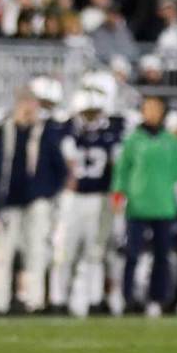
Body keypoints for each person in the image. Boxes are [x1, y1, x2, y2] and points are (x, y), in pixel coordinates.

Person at [0, 90, 67, 314]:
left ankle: (35, 300)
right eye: (23, 103)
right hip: (9, 201)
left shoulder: (46, 132)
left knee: (37, 252)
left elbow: (60, 169)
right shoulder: (6, 131)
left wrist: (46, 193)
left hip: (36, 201)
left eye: (30, 104)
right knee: (4, 253)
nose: (27, 109)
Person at [111, 95, 177, 318]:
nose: (152, 113)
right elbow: (122, 170)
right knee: (132, 254)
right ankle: (127, 297)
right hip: (137, 204)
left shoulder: (172, 142)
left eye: (157, 108)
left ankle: (157, 298)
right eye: (148, 108)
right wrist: (118, 195)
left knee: (162, 256)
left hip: (164, 205)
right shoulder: (133, 140)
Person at [53, 91, 123, 317]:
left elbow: (116, 165)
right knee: (65, 252)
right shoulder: (66, 131)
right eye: (87, 113)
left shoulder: (112, 133)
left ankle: (94, 299)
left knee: (96, 252)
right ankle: (59, 299)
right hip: (72, 199)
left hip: (99, 198)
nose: (91, 117)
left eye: (94, 113)